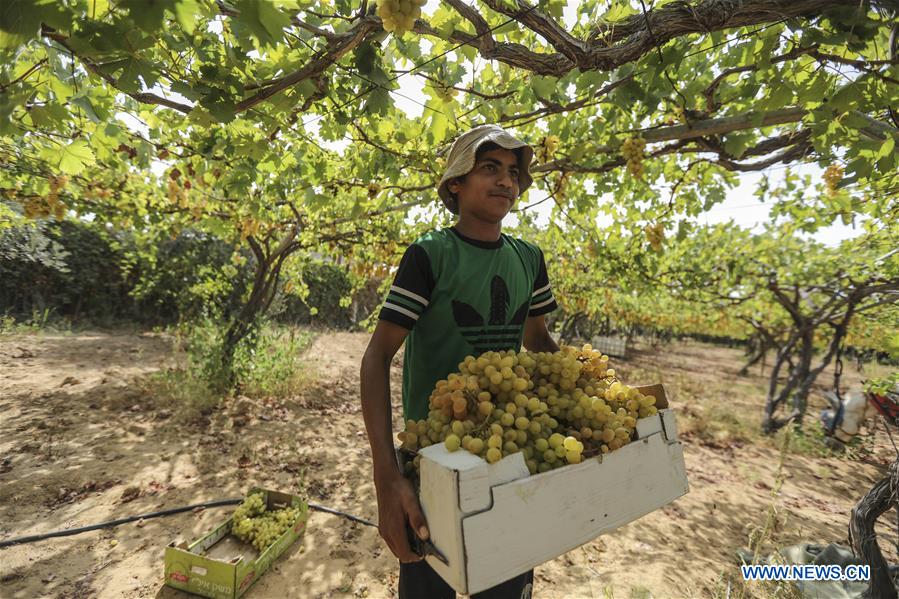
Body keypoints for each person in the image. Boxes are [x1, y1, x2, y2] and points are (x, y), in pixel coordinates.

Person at [360, 124, 561, 599]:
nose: (506, 182)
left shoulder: (529, 259)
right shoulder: (430, 254)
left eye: (514, 172)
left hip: (507, 450)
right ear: (456, 183)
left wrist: (599, 392)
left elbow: (538, 340)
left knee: (506, 583)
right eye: (489, 168)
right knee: (430, 581)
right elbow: (377, 357)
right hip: (432, 459)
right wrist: (386, 475)